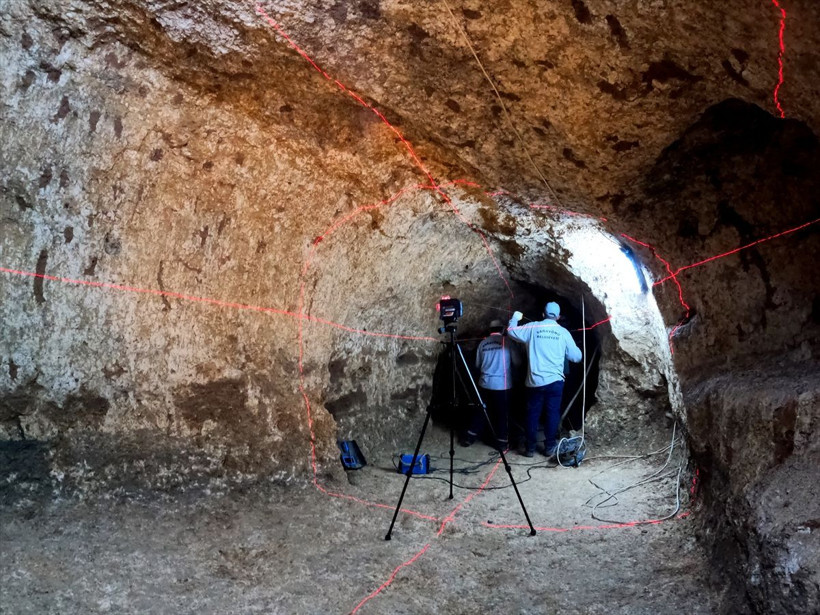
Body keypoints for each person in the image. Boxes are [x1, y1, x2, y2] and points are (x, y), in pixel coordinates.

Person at [507, 301, 582, 457]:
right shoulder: (563, 332)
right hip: (555, 382)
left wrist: (515, 317)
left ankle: (530, 448)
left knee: (532, 415)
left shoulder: (533, 327)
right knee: (552, 414)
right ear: (559, 317)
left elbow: (511, 331)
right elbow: (576, 357)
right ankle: (549, 447)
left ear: (543, 313)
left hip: (535, 382)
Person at [460, 319, 519, 450]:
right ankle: (502, 441)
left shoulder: (483, 343)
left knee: (481, 410)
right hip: (502, 384)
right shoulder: (507, 343)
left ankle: (469, 437)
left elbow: (477, 365)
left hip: (485, 383)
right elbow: (517, 362)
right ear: (502, 329)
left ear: (490, 330)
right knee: (502, 413)